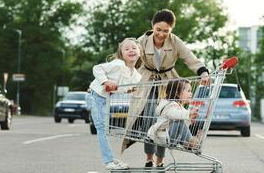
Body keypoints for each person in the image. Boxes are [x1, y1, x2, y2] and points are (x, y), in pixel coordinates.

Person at [121, 9, 210, 168]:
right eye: (158, 30)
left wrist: (203, 72)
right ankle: (149, 159)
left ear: (171, 30)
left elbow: (190, 58)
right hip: (146, 82)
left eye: (166, 31)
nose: (161, 34)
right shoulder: (142, 41)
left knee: (165, 121)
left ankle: (160, 160)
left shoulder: (175, 42)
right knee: (149, 121)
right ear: (152, 26)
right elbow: (128, 58)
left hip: (167, 83)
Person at [89, 38, 142, 170]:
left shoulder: (135, 75)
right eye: (127, 49)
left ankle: (111, 159)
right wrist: (105, 81)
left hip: (106, 99)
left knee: (105, 129)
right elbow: (97, 68)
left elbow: (126, 87)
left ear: (140, 52)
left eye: (134, 48)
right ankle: (109, 161)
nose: (131, 50)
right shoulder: (117, 64)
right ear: (121, 53)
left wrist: (130, 90)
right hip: (95, 95)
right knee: (102, 128)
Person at [147, 79, 200, 151]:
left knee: (180, 122)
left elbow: (183, 126)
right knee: (179, 121)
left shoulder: (178, 105)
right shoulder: (170, 104)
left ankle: (188, 143)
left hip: (171, 136)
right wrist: (189, 113)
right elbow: (174, 115)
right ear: (177, 93)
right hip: (163, 136)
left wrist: (190, 119)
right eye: (188, 91)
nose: (191, 93)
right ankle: (190, 142)